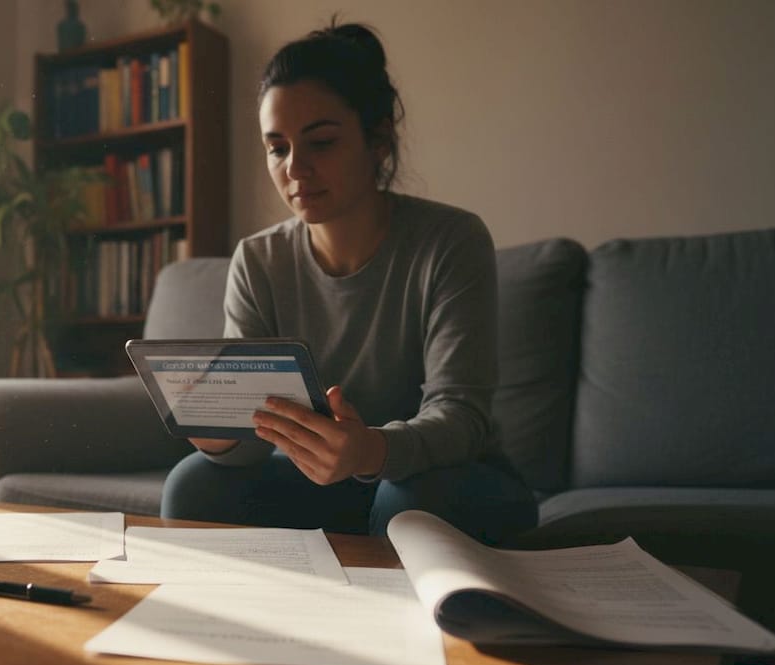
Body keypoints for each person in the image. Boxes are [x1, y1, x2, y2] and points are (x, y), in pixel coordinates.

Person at [159, 20, 537, 545]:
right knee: (194, 484)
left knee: (406, 500)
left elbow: (462, 418)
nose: (296, 168)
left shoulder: (451, 240)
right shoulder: (258, 260)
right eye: (277, 148)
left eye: (322, 142)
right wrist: (218, 432)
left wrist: (369, 451)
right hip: (322, 481)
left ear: (378, 139)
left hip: (450, 477)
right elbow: (254, 440)